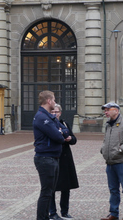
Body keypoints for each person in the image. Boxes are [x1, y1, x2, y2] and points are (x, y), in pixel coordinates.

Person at [33, 90, 72, 220]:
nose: (55, 102)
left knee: (49, 191)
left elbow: (65, 131)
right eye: (54, 99)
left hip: (53, 158)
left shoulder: (48, 117)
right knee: (46, 192)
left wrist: (61, 132)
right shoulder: (42, 117)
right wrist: (61, 134)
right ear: (49, 101)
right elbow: (58, 137)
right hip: (45, 158)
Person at [100, 102, 123, 220]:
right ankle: (113, 213)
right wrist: (103, 149)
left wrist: (120, 150)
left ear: (116, 110)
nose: (105, 112)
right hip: (110, 163)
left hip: (122, 162)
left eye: (108, 110)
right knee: (113, 190)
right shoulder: (108, 125)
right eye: (105, 110)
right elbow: (106, 140)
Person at [49, 104, 78, 220]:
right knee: (52, 187)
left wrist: (70, 139)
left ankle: (65, 212)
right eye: (52, 112)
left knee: (66, 187)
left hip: (65, 159)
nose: (54, 114)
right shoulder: (48, 124)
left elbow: (74, 139)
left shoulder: (65, 124)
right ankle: (52, 212)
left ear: (60, 113)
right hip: (54, 158)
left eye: (56, 111)